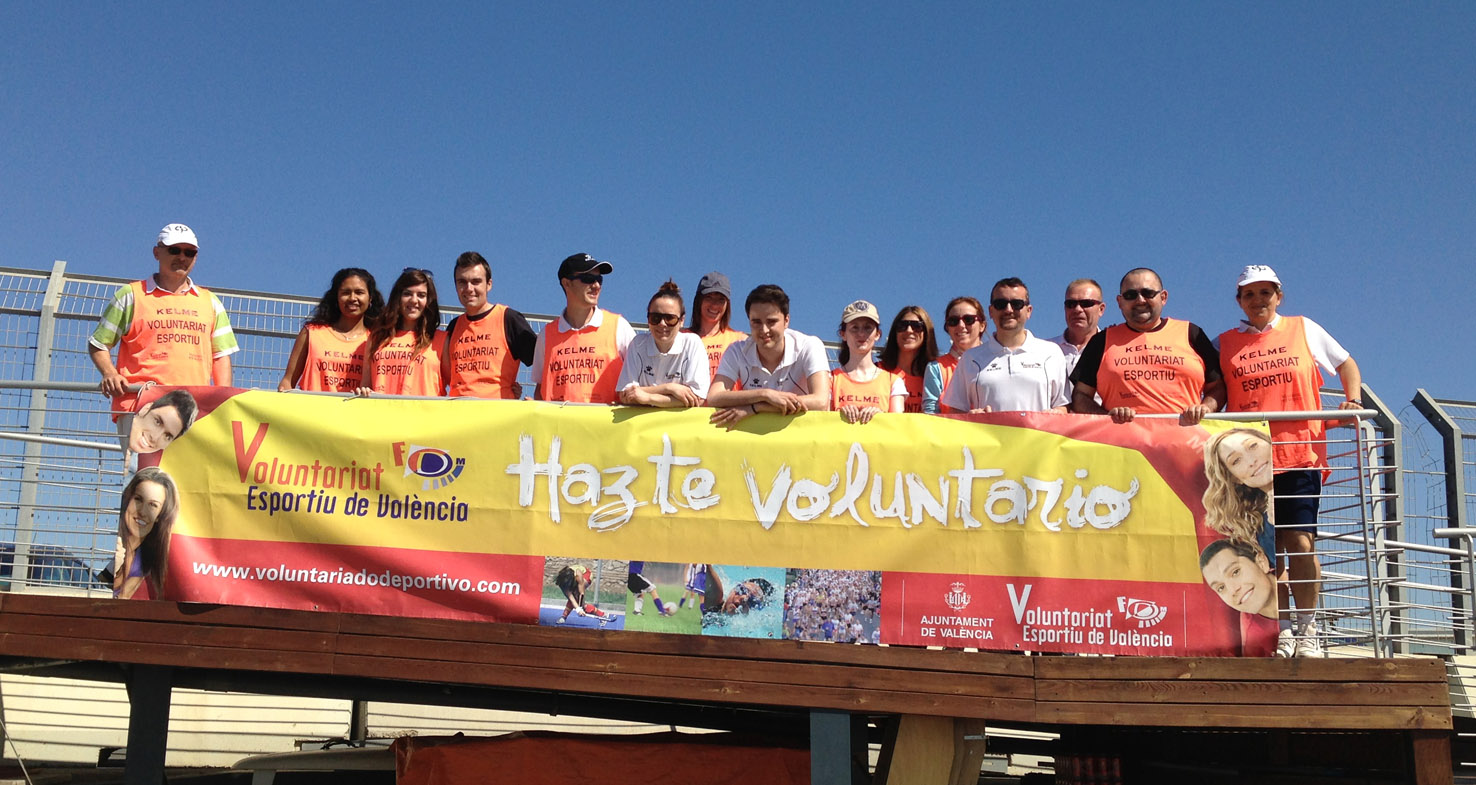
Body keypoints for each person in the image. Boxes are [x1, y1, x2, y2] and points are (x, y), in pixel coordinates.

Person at [1217, 264, 1362, 658]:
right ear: (1239, 301)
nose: (1258, 300)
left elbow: (1346, 364)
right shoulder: (1224, 343)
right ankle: (1280, 628)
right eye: (1249, 294)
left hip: (1300, 454)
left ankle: (1307, 626)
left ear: (1279, 296)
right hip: (1250, 463)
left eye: (1265, 292)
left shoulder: (1303, 328)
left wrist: (1353, 399)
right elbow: (1209, 387)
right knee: (1267, 548)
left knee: (1300, 542)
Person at [90, 223, 239, 451]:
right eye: (174, 250)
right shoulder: (130, 295)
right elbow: (98, 344)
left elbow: (221, 356)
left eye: (189, 252)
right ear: (157, 252)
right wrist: (110, 373)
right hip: (139, 407)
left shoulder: (211, 302)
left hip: (194, 412)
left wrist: (221, 403)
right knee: (145, 483)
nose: (182, 257)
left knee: (186, 485)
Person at [1069, 268, 1224, 425]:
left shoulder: (1192, 333)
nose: (1140, 300)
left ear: (1163, 297)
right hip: (1122, 445)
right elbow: (1080, 396)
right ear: (1120, 302)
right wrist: (1107, 418)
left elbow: (1218, 387)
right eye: (1131, 295)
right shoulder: (1101, 341)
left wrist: (1206, 409)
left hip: (1186, 442)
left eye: (1148, 293)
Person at [707, 284, 830, 429]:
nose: (764, 330)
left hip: (803, 437)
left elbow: (821, 402)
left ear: (786, 321)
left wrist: (757, 407)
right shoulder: (737, 350)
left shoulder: (809, 345)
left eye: (771, 322)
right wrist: (764, 394)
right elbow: (714, 397)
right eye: (756, 322)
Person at [941, 278, 1069, 413]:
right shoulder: (970, 358)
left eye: (1017, 304)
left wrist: (1057, 413)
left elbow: (1063, 406)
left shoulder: (1051, 353)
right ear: (991, 311)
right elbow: (955, 411)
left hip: (1040, 435)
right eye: (1000, 304)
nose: (1008, 310)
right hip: (986, 434)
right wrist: (970, 417)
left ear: (1029, 311)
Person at [533, 253, 635, 404]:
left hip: (606, 426)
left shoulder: (619, 327)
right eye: (588, 279)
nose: (596, 286)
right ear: (566, 283)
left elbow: (639, 380)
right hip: (560, 426)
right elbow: (540, 390)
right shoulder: (546, 336)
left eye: (599, 279)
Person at [441, 252, 537, 400]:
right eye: (462, 282)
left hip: (498, 417)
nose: (469, 288)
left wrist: (539, 399)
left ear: (489, 284)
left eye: (476, 281)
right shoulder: (453, 327)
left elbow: (544, 363)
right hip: (458, 415)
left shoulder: (508, 319)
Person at [278, 268, 383, 393]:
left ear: (370, 298)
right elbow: (287, 382)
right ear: (336, 297)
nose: (352, 298)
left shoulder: (379, 339)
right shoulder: (312, 333)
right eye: (346, 292)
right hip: (313, 410)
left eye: (359, 292)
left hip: (355, 412)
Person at [617, 281, 710, 407]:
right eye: (655, 318)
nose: (662, 324)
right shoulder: (638, 344)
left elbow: (697, 398)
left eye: (670, 318)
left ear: (681, 320)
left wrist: (648, 397)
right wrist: (669, 388)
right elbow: (625, 394)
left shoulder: (692, 343)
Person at [1202, 428, 1279, 580]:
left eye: (1252, 446)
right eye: (1236, 461)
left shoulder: (1304, 483)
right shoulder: (1261, 528)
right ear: (1234, 478)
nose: (1252, 461)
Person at [358, 268, 446, 396]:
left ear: (429, 300)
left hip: (425, 414)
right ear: (398, 297)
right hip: (383, 414)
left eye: (421, 295)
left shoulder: (441, 340)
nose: (414, 300)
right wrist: (363, 392)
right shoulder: (377, 337)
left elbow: (458, 384)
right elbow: (366, 385)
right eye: (407, 294)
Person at [1199, 539, 1280, 657]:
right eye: (1221, 588)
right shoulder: (1253, 643)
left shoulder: (1299, 583)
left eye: (1235, 572)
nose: (1233, 590)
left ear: (1261, 562)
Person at [830, 300, 905, 424]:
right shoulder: (830, 379)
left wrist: (880, 417)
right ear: (843, 334)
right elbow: (823, 422)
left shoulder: (894, 382)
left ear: (877, 334)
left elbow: (898, 425)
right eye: (854, 328)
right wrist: (840, 415)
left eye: (867, 328)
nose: (861, 334)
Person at [115, 467, 179, 601]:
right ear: (128, 500)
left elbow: (121, 600)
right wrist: (111, 568)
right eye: (138, 499)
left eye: (153, 505)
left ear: (160, 516)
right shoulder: (107, 539)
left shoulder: (145, 559)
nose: (143, 512)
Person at [923, 297, 985, 414]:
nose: (961, 325)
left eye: (969, 319)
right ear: (947, 328)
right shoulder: (936, 368)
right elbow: (930, 416)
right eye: (953, 321)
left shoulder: (996, 360)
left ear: (982, 325)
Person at [686, 272, 747, 382]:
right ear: (698, 300)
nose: (714, 305)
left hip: (729, 399)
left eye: (721, 300)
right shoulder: (682, 338)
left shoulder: (740, 341)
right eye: (708, 298)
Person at [878, 306, 938, 413]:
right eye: (902, 326)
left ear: (927, 332)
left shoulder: (935, 375)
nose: (909, 330)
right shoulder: (877, 371)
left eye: (917, 326)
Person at [1051, 278, 1107, 378]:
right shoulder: (1045, 350)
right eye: (1071, 304)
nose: (1077, 309)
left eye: (1086, 303)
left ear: (1101, 309)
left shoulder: (1111, 349)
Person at [127, 389, 198, 457]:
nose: (155, 437)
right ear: (145, 409)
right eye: (157, 422)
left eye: (167, 437)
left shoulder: (134, 467)